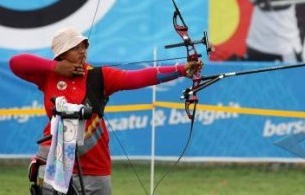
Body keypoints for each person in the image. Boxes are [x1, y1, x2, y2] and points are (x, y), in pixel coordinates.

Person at [9, 27, 203, 195]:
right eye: (75, 47)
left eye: (84, 46)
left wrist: (181, 69)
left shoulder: (99, 76)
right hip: (54, 164)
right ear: (62, 52)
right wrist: (57, 67)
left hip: (94, 165)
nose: (83, 51)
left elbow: (136, 78)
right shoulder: (48, 75)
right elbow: (16, 62)